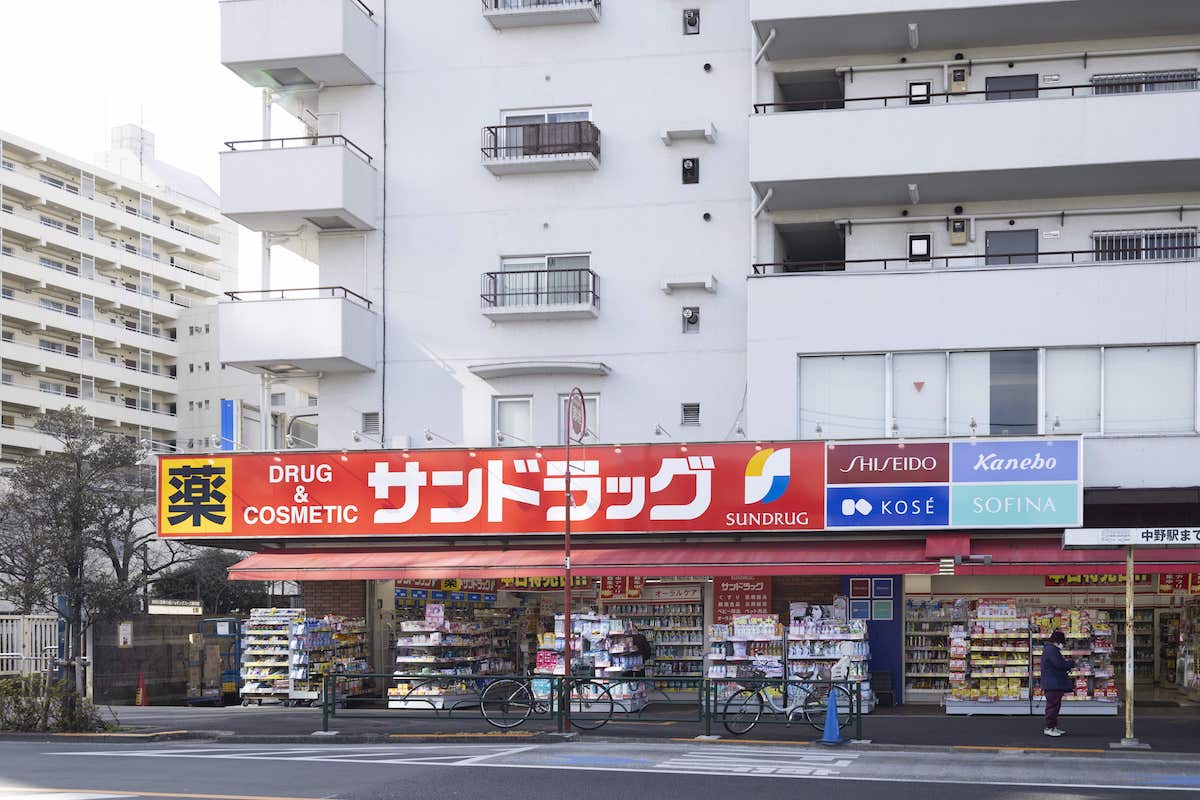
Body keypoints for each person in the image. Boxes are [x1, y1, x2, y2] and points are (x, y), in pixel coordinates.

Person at [1040, 630, 1075, 737]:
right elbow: (1059, 664)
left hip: (1053, 682)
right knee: (1052, 706)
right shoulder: (1052, 650)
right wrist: (1071, 663)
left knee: (1055, 705)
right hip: (1053, 683)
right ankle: (1049, 727)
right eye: (1062, 642)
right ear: (1058, 641)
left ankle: (1053, 727)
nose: (1062, 645)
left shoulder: (1050, 649)